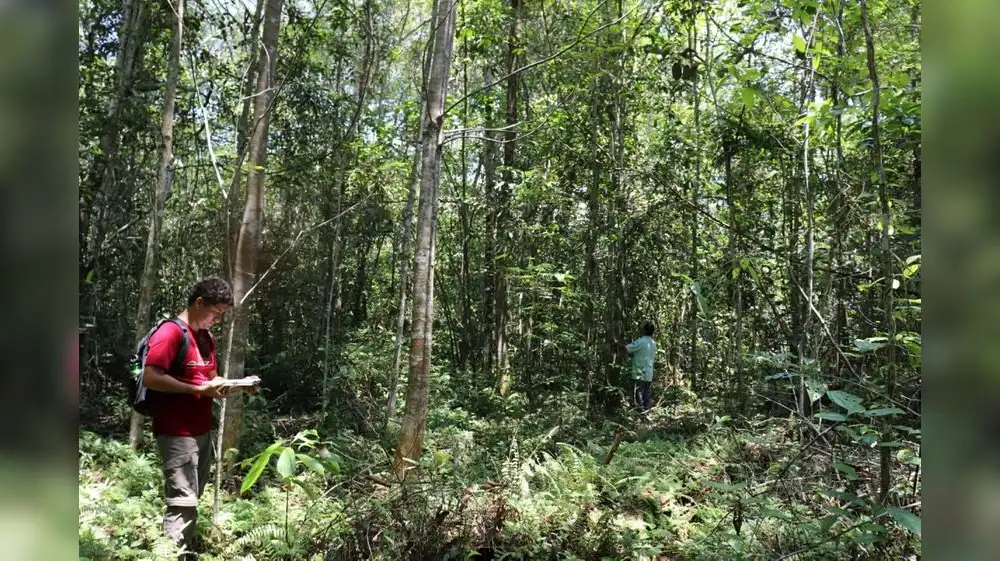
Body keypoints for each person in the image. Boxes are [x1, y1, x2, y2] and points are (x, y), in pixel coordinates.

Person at [141, 277, 233, 559]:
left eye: (221, 315)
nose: (217, 319)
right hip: (176, 432)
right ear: (199, 303)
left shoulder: (206, 338)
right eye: (215, 312)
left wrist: (230, 384)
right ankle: (172, 554)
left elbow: (209, 379)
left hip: (201, 431)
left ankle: (183, 551)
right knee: (182, 502)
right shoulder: (170, 333)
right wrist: (197, 389)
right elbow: (151, 377)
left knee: (192, 498)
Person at [623, 322, 657, 411]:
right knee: (646, 393)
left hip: (640, 372)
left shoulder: (641, 341)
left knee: (639, 392)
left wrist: (616, 343)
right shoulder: (653, 343)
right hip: (649, 372)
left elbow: (627, 348)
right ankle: (645, 410)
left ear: (644, 330)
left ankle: (639, 411)